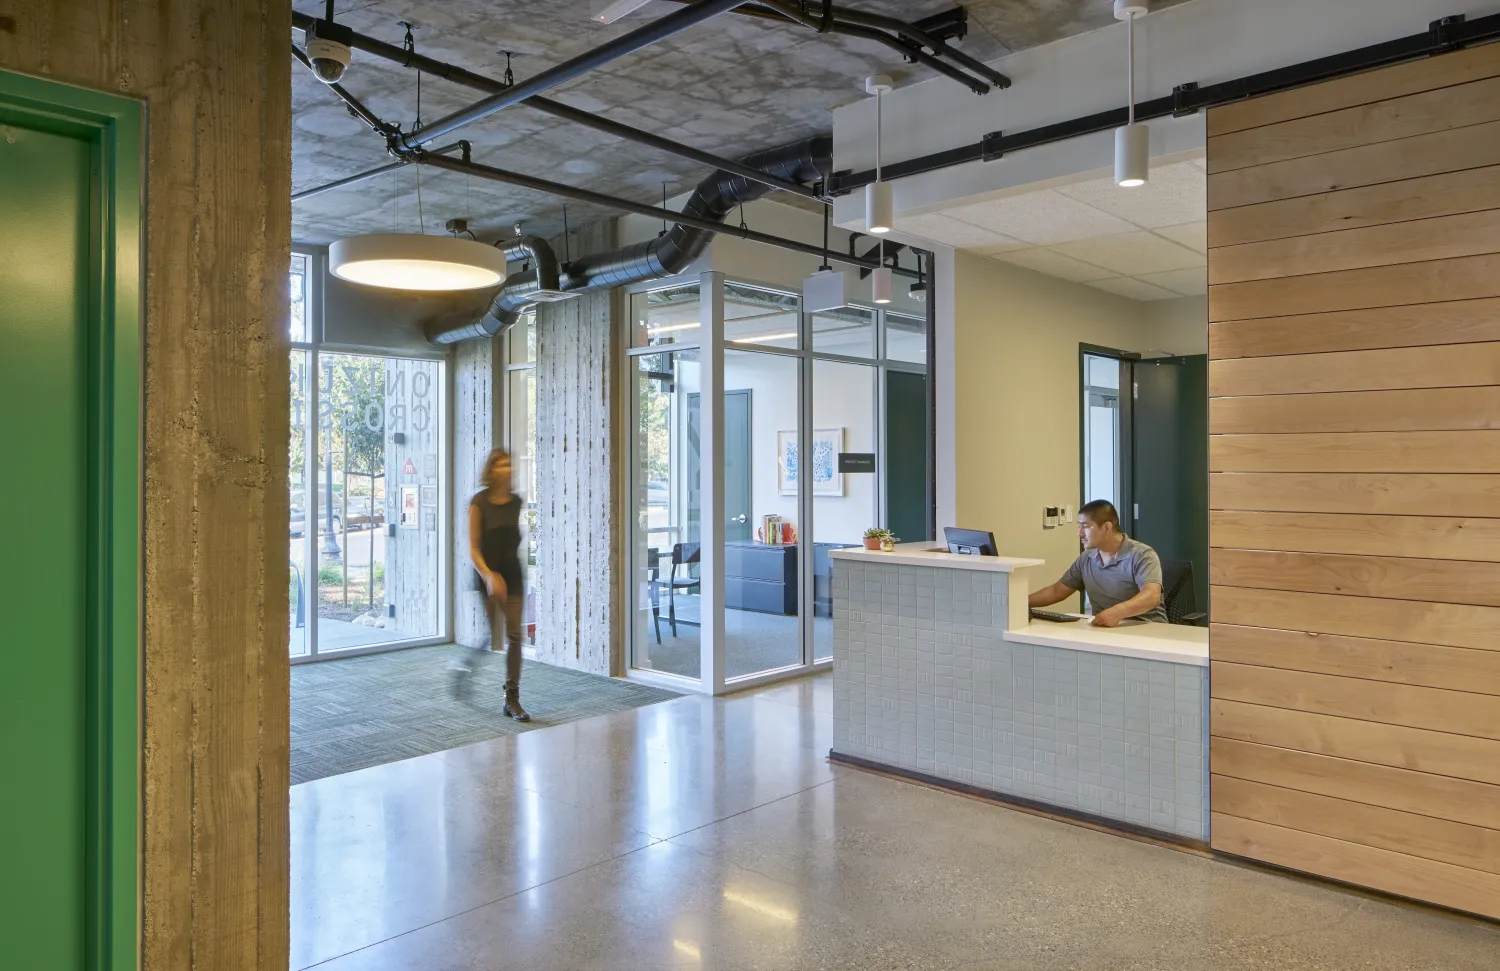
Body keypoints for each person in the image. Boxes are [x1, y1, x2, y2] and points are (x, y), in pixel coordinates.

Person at [456, 447, 531, 720]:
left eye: (509, 465)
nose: (506, 470)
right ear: (491, 470)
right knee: (492, 636)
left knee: (515, 637)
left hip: (512, 573)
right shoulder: (479, 502)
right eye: (500, 465)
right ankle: (465, 666)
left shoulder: (515, 502)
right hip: (487, 574)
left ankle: (512, 699)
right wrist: (489, 575)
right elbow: (474, 549)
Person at [1029, 499, 1167, 627]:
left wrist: (1118, 612)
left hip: (1148, 631)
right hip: (1104, 630)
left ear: (1107, 527)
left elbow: (1152, 595)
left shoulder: (1142, 554)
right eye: (1079, 526)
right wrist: (1018, 602)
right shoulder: (1086, 558)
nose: (1080, 533)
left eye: (1086, 526)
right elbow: (1057, 591)